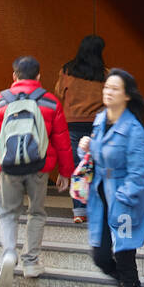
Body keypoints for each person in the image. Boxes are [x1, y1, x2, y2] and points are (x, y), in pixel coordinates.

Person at [0, 55, 74, 287]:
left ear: (14, 76)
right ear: (39, 76)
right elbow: (62, 140)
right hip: (39, 167)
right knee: (36, 212)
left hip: (9, 167)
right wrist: (65, 172)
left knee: (7, 212)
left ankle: (9, 253)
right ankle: (31, 261)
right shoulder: (50, 102)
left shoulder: (0, 101)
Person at [78, 68, 144, 287]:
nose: (107, 92)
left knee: (124, 256)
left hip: (124, 200)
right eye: (106, 87)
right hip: (100, 198)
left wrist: (123, 197)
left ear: (126, 95)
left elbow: (139, 173)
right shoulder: (100, 119)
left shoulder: (133, 129)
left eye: (114, 89)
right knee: (100, 256)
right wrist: (86, 147)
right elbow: (94, 158)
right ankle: (122, 286)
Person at [56, 35, 107, 224]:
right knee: (97, 167)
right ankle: (97, 207)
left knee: (79, 168)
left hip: (72, 125)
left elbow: (59, 92)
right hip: (97, 126)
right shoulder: (104, 74)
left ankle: (79, 211)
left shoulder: (67, 71)